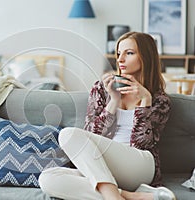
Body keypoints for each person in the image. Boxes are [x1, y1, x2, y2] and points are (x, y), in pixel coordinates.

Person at [38, 31, 176, 200]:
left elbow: (142, 145)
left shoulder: (159, 99)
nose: (120, 59)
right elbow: (91, 136)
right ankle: (128, 196)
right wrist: (113, 102)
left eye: (129, 53)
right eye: (119, 54)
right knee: (48, 179)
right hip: (104, 168)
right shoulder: (102, 89)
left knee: (68, 134)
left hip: (141, 166)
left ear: (146, 58)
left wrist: (145, 101)